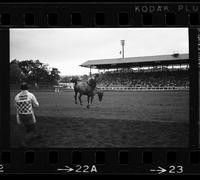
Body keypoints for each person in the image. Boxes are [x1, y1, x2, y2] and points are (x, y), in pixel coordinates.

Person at [14, 82, 40, 146]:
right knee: (32, 128)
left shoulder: (16, 96)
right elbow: (37, 105)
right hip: (28, 114)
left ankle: (34, 136)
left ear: (21, 88)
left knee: (28, 127)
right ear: (27, 88)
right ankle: (24, 141)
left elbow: (16, 106)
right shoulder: (30, 95)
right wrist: (31, 105)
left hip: (20, 115)